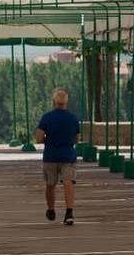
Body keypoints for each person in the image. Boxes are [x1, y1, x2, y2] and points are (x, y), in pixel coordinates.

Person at [35, 88, 80, 226]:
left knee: (50, 185)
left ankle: (51, 209)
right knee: (68, 183)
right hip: (68, 156)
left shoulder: (47, 117)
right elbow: (77, 139)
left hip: (50, 156)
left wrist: (49, 140)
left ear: (54, 101)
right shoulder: (73, 118)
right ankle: (69, 212)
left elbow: (38, 138)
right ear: (66, 102)